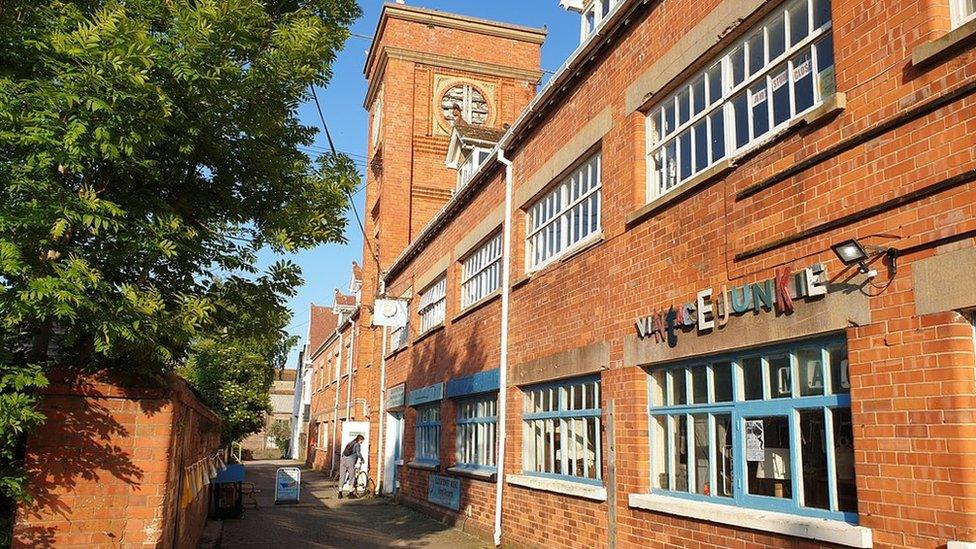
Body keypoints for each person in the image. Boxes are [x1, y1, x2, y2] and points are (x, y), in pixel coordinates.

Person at [337, 434, 364, 499]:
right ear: (360, 440)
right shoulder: (357, 444)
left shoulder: (350, 443)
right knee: (352, 477)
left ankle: (340, 493)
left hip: (343, 460)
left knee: (342, 476)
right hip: (350, 462)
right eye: (362, 441)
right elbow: (358, 453)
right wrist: (362, 458)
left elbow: (344, 452)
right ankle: (351, 493)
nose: (362, 442)